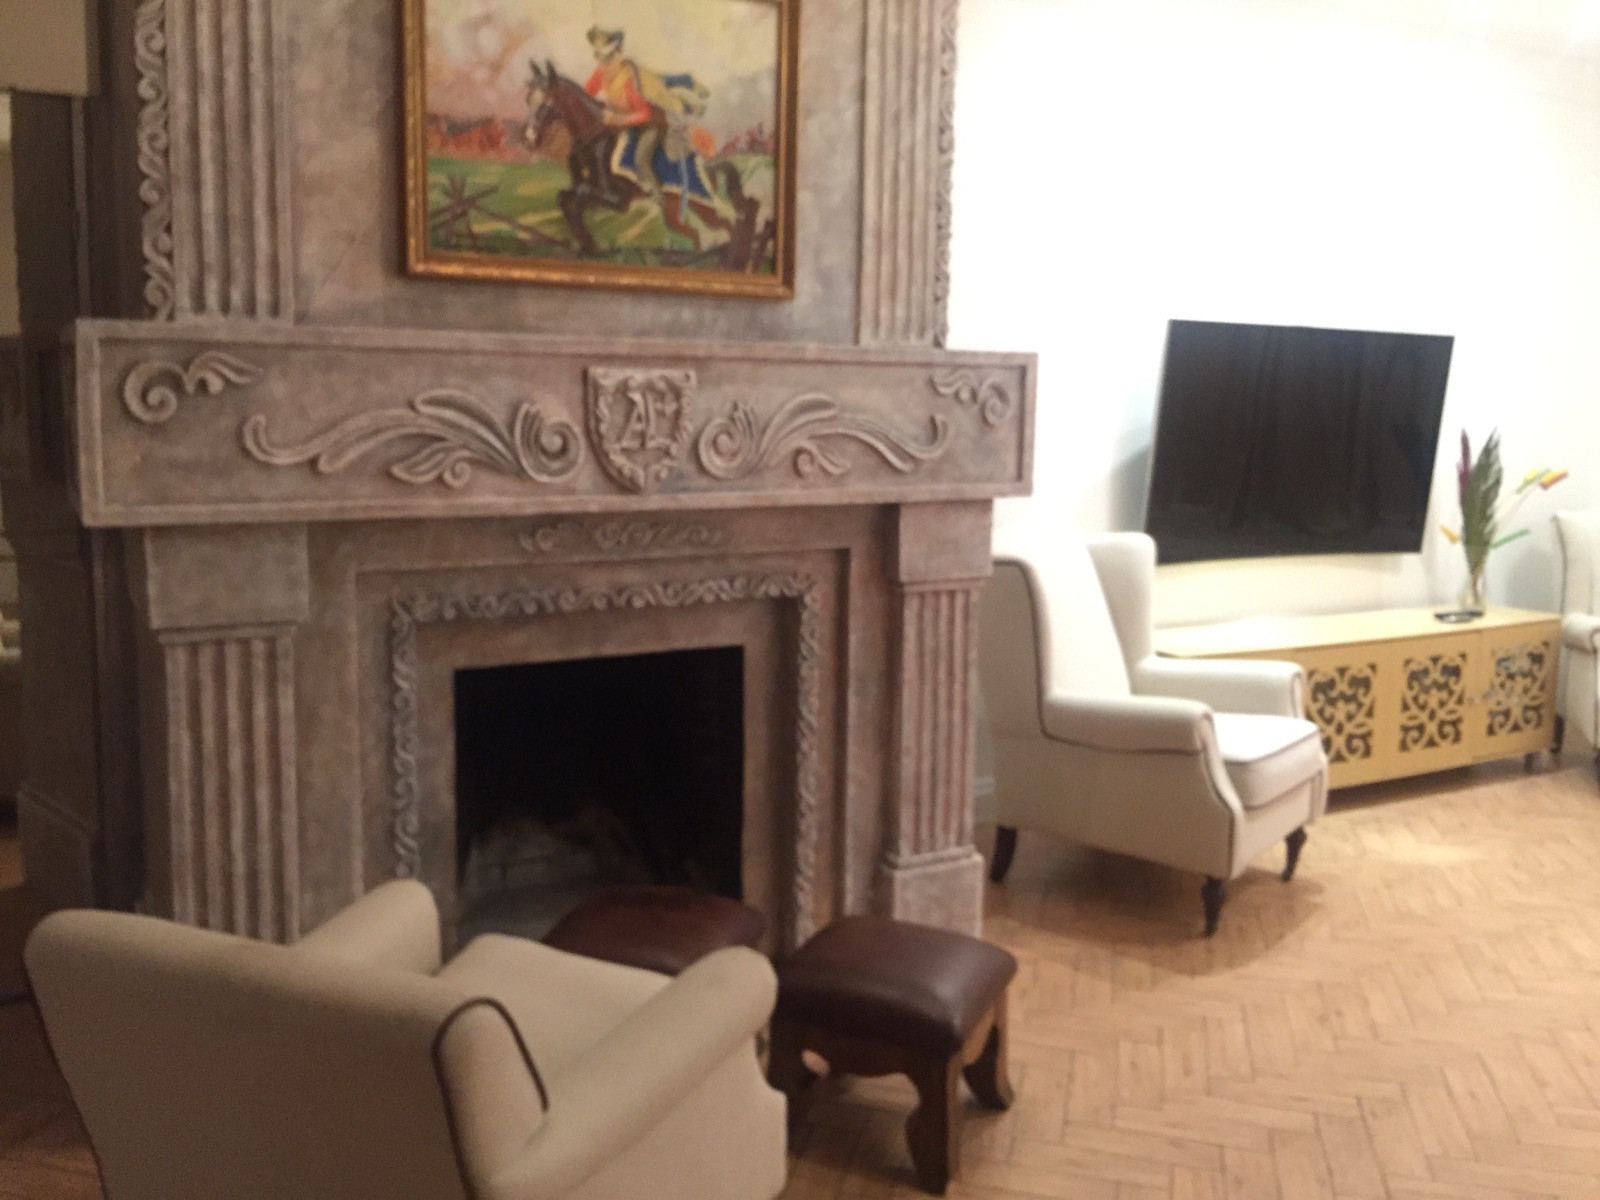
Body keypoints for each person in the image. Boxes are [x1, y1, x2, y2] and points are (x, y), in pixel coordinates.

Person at [584, 27, 709, 201]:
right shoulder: (600, 73)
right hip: (626, 125)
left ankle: (659, 201)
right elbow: (585, 95)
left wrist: (619, 119)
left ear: (619, 55)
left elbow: (645, 113)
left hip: (650, 125)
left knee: (641, 161)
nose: (605, 65)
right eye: (600, 59)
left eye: (609, 58)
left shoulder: (630, 80)